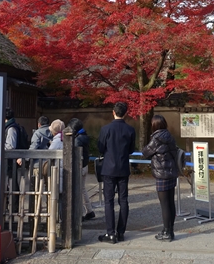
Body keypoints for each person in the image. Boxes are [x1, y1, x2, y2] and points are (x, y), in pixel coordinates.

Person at [97, 102, 136, 244]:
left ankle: (110, 233)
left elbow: (100, 148)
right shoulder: (130, 130)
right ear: (125, 113)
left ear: (113, 112)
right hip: (123, 167)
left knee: (108, 201)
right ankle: (121, 232)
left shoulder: (106, 129)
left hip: (108, 168)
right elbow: (131, 150)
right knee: (123, 200)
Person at [142, 114, 179, 242]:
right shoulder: (170, 137)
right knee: (170, 203)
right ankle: (170, 230)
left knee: (164, 205)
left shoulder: (156, 139)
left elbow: (145, 153)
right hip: (171, 173)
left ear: (154, 125)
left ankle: (166, 232)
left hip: (161, 174)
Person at [68, 117, 95, 221]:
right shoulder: (84, 136)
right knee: (82, 190)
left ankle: (79, 214)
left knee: (77, 191)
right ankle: (89, 210)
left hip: (79, 167)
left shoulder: (77, 139)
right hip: (84, 166)